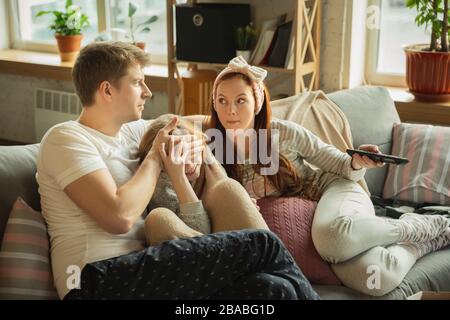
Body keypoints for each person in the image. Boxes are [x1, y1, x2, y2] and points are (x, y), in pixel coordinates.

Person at [36, 42, 319, 300]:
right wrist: (157, 157)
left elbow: (188, 131)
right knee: (262, 243)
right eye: (137, 83)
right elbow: (118, 217)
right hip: (97, 282)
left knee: (272, 289)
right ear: (107, 90)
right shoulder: (66, 138)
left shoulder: (131, 132)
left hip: (155, 270)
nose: (147, 91)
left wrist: (204, 155)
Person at [206, 56, 450, 296]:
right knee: (376, 278)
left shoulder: (283, 133)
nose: (231, 111)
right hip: (313, 227)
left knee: (330, 239)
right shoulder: (212, 149)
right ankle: (429, 240)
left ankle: (414, 227)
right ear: (214, 104)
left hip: (334, 189)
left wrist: (356, 161)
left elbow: (337, 163)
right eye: (222, 100)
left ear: (257, 102)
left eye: (240, 100)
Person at [135, 114, 268, 246]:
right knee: (158, 218)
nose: (189, 164)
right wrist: (178, 177)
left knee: (229, 187)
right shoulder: (161, 182)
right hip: (197, 257)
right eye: (179, 155)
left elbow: (228, 193)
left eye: (191, 152)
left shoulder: (206, 158)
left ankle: (274, 258)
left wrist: (243, 203)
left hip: (224, 249)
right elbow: (199, 233)